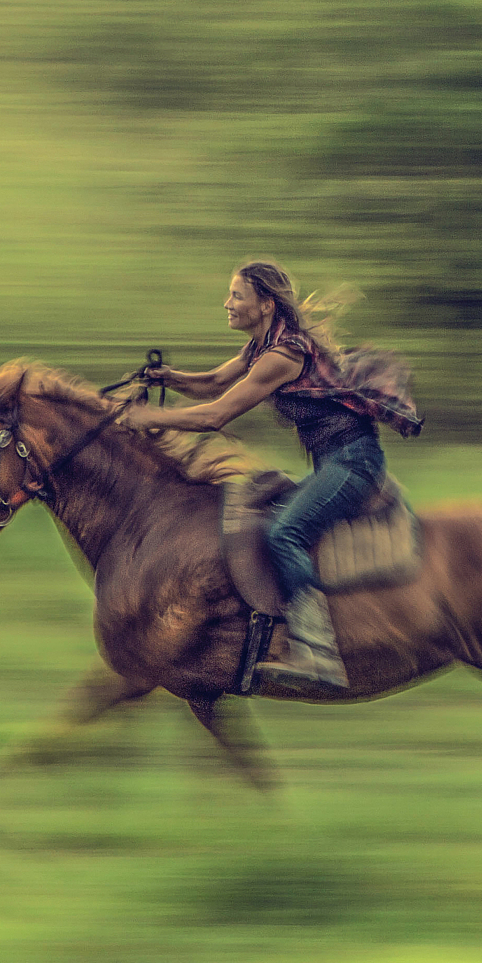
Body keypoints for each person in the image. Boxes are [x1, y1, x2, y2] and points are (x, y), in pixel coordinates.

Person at [117, 260, 422, 692]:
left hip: (353, 464)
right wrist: (171, 378)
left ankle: (317, 652)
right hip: (332, 462)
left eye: (237, 296)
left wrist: (151, 417)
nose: (227, 303)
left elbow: (218, 413)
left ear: (265, 305)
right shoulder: (262, 347)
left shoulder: (284, 355)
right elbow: (212, 383)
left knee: (284, 534)